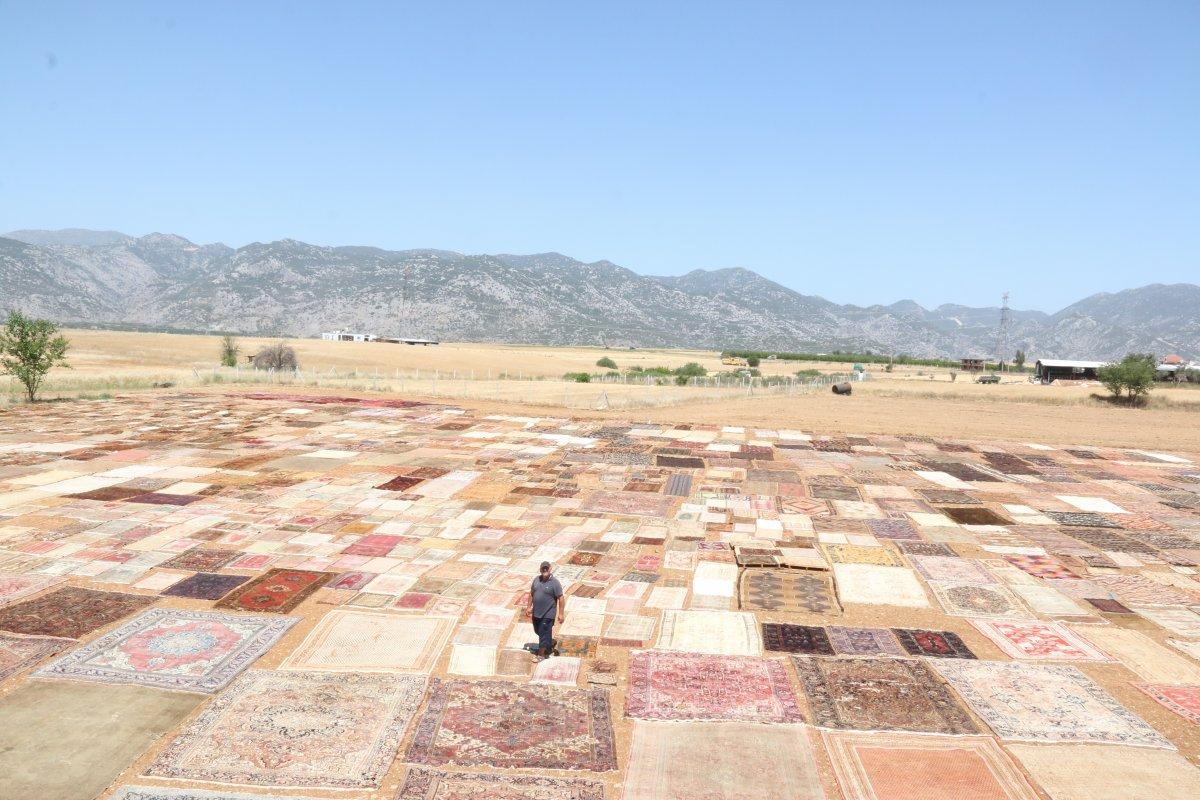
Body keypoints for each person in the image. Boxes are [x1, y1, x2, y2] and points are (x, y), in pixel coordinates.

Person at [529, 560, 564, 659]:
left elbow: (561, 598)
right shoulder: (536, 580)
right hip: (536, 613)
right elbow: (531, 593)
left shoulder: (555, 583)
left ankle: (541, 654)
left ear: (550, 569)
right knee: (538, 631)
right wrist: (528, 607)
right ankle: (549, 644)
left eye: (546, 568)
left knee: (543, 632)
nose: (545, 570)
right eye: (543, 568)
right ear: (540, 569)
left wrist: (561, 614)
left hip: (548, 613)